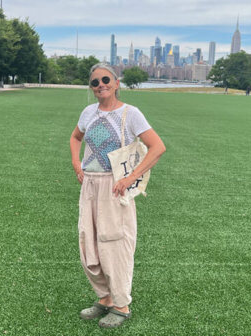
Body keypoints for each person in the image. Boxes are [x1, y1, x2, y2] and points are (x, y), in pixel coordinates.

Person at [69, 63, 166, 328]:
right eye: (95, 82)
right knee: (89, 243)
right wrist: (77, 164)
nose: (100, 85)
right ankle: (105, 298)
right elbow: (75, 137)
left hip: (115, 187)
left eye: (105, 80)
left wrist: (131, 177)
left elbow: (157, 147)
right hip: (89, 185)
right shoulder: (88, 112)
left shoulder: (131, 114)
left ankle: (121, 304)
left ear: (116, 82)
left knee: (115, 244)